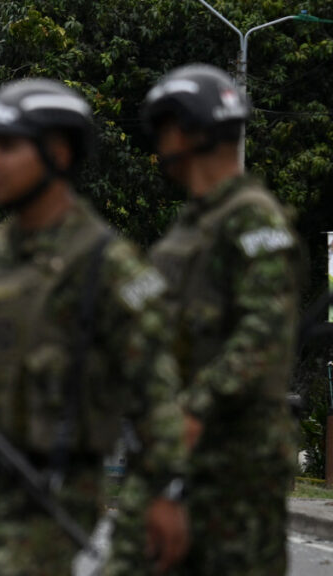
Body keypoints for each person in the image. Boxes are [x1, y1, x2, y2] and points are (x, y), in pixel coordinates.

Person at [0, 78, 190, 575]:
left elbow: (156, 395)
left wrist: (167, 494)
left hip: (55, 482)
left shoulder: (105, 265)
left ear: (58, 153)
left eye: (6, 147)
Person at [142, 64, 304, 576]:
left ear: (193, 132)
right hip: (181, 462)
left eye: (166, 127)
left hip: (233, 466)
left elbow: (265, 333)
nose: (160, 141)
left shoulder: (250, 216)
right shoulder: (191, 227)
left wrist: (194, 409)